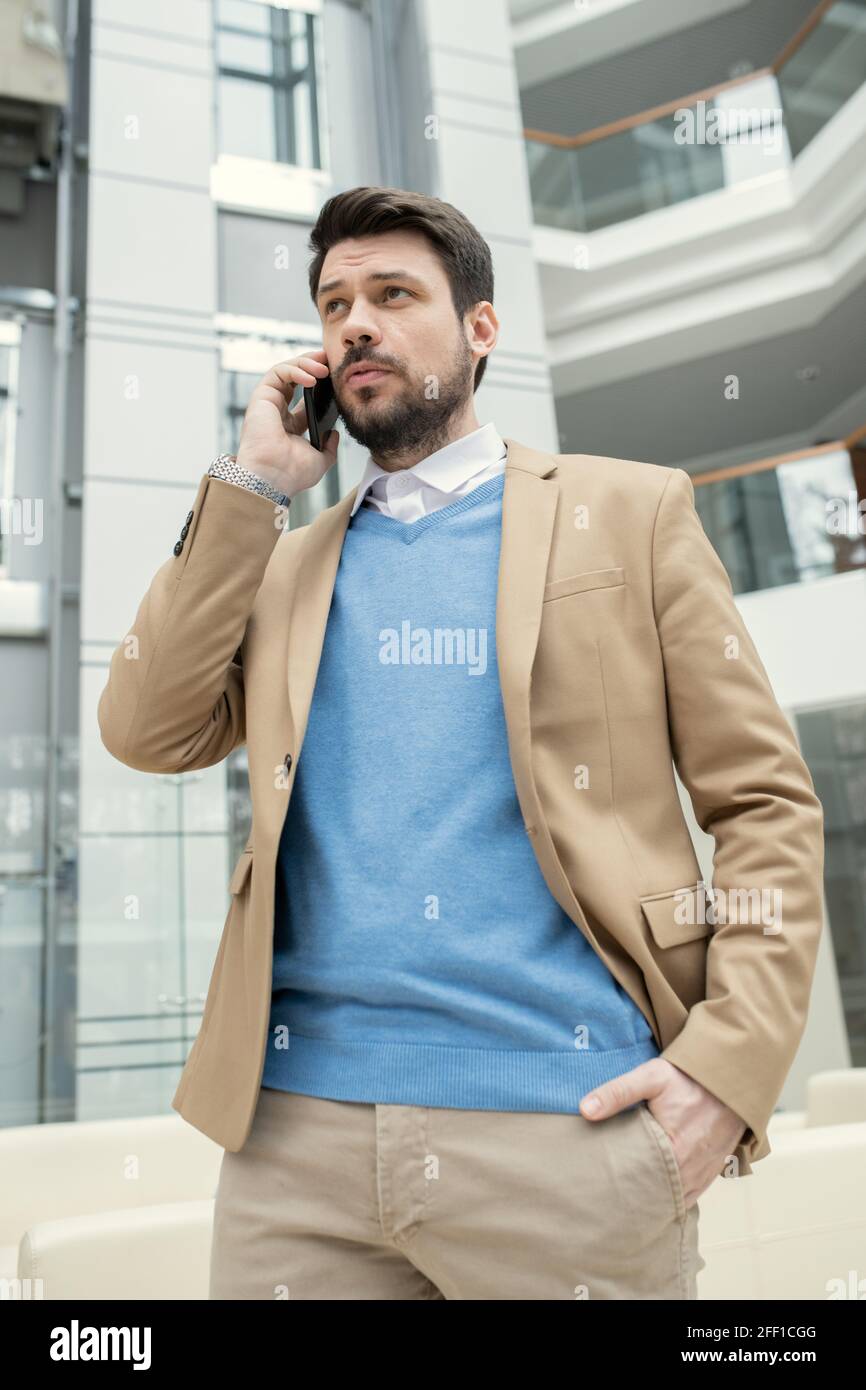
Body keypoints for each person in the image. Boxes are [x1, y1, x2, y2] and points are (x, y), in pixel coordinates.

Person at [98, 185, 825, 1300]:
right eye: (334, 302)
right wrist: (252, 488)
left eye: (393, 294)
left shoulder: (628, 514)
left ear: (480, 329)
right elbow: (146, 730)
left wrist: (726, 1071)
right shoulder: (281, 563)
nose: (355, 324)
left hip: (568, 1132)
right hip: (293, 1150)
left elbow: (764, 807)